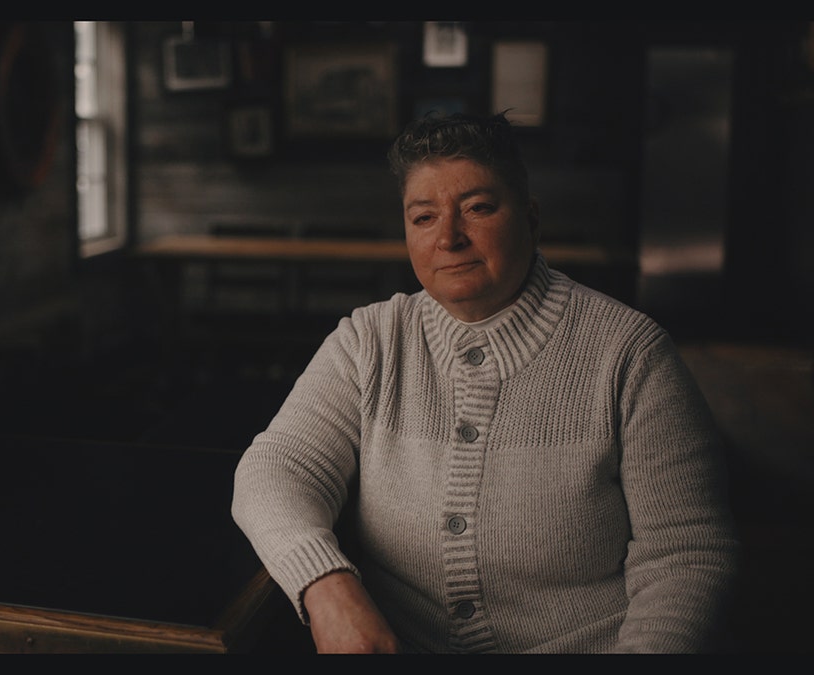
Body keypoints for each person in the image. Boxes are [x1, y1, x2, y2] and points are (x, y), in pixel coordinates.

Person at [230, 111, 739, 653]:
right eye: (423, 217)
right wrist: (326, 586)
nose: (448, 237)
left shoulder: (631, 354)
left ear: (531, 218)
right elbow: (276, 468)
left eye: (477, 208)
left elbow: (686, 555)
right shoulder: (368, 340)